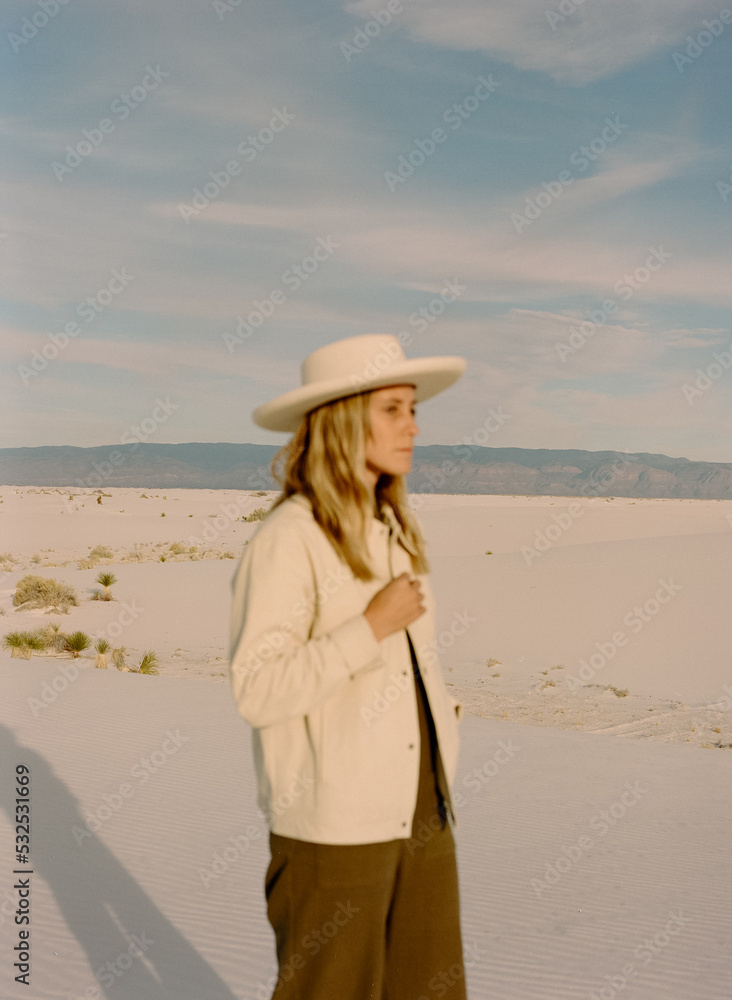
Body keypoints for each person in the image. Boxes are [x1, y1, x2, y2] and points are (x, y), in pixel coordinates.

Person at [229, 333, 468, 999]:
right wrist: (368, 628)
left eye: (413, 409)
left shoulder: (396, 531)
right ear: (341, 418)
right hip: (333, 832)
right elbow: (257, 689)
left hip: (423, 818)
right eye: (392, 409)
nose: (413, 426)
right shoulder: (290, 538)